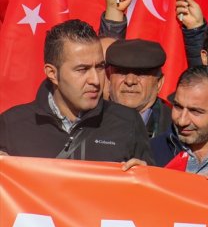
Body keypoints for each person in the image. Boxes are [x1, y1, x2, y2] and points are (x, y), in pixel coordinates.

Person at [0, 20, 152, 164]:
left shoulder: (128, 123)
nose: (96, 80)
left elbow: (152, 187)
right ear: (52, 73)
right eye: (82, 69)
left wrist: (145, 177)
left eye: (99, 67)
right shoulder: (11, 126)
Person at [105, 39, 171, 138]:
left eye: (141, 73)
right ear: (109, 77)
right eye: (122, 72)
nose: (130, 81)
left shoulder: (176, 127)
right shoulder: (86, 122)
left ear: (159, 83)